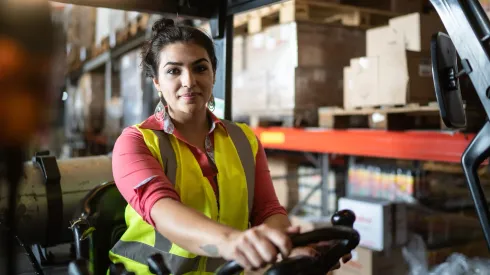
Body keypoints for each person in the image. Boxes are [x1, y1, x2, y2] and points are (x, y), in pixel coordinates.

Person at [110, 18, 350, 274]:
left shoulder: (244, 139)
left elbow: (268, 211)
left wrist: (288, 247)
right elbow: (164, 212)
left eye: (200, 68)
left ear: (213, 72)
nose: (189, 81)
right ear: (156, 81)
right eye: (173, 71)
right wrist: (232, 242)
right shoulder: (135, 143)